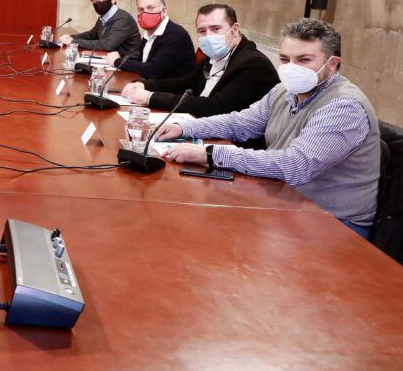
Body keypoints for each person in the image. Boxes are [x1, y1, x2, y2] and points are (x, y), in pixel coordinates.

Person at [159, 18, 380, 238]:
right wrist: (184, 127)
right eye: (285, 59)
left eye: (303, 60)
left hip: (333, 222)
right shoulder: (284, 91)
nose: (292, 68)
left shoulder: (344, 106)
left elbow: (295, 166)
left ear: (332, 63)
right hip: (287, 201)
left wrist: (210, 154)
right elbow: (239, 123)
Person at [120, 4, 278, 117]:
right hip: (198, 124)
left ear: (235, 29)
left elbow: (216, 106)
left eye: (216, 29)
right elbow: (186, 83)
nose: (209, 36)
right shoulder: (214, 56)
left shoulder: (253, 64)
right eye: (202, 31)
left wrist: (151, 97)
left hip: (232, 144)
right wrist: (144, 84)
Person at [104, 0, 194, 79]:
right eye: (141, 9)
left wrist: (117, 61)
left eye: (151, 8)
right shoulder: (149, 33)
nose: (145, 13)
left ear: (164, 11)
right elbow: (141, 62)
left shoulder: (176, 35)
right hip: (150, 85)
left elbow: (153, 70)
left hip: (170, 91)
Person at [60, 0, 140, 58]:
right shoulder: (103, 16)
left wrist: (73, 42)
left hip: (126, 65)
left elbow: (108, 45)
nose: (99, 2)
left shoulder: (122, 18)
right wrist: (72, 37)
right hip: (110, 60)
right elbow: (92, 34)